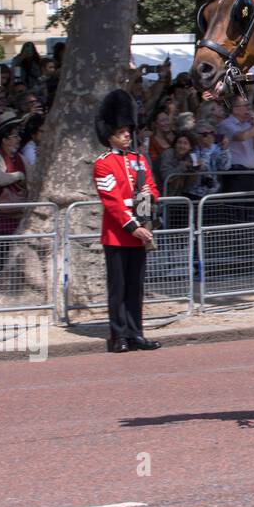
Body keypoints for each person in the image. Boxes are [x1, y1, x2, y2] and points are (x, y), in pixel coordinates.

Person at [93, 89, 162, 353]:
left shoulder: (140, 160)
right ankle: (118, 336)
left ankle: (136, 333)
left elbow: (153, 190)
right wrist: (134, 229)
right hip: (118, 234)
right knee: (118, 289)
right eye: (121, 131)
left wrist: (150, 197)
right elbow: (112, 203)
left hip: (140, 231)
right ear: (109, 134)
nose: (126, 135)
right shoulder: (103, 164)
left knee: (136, 287)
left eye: (127, 130)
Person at [0, 115, 27, 236]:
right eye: (15, 136)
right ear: (4, 140)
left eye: (18, 136)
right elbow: (0, 179)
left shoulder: (22, 159)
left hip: (19, 215)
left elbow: (31, 179)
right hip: (0, 218)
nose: (19, 139)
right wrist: (19, 175)